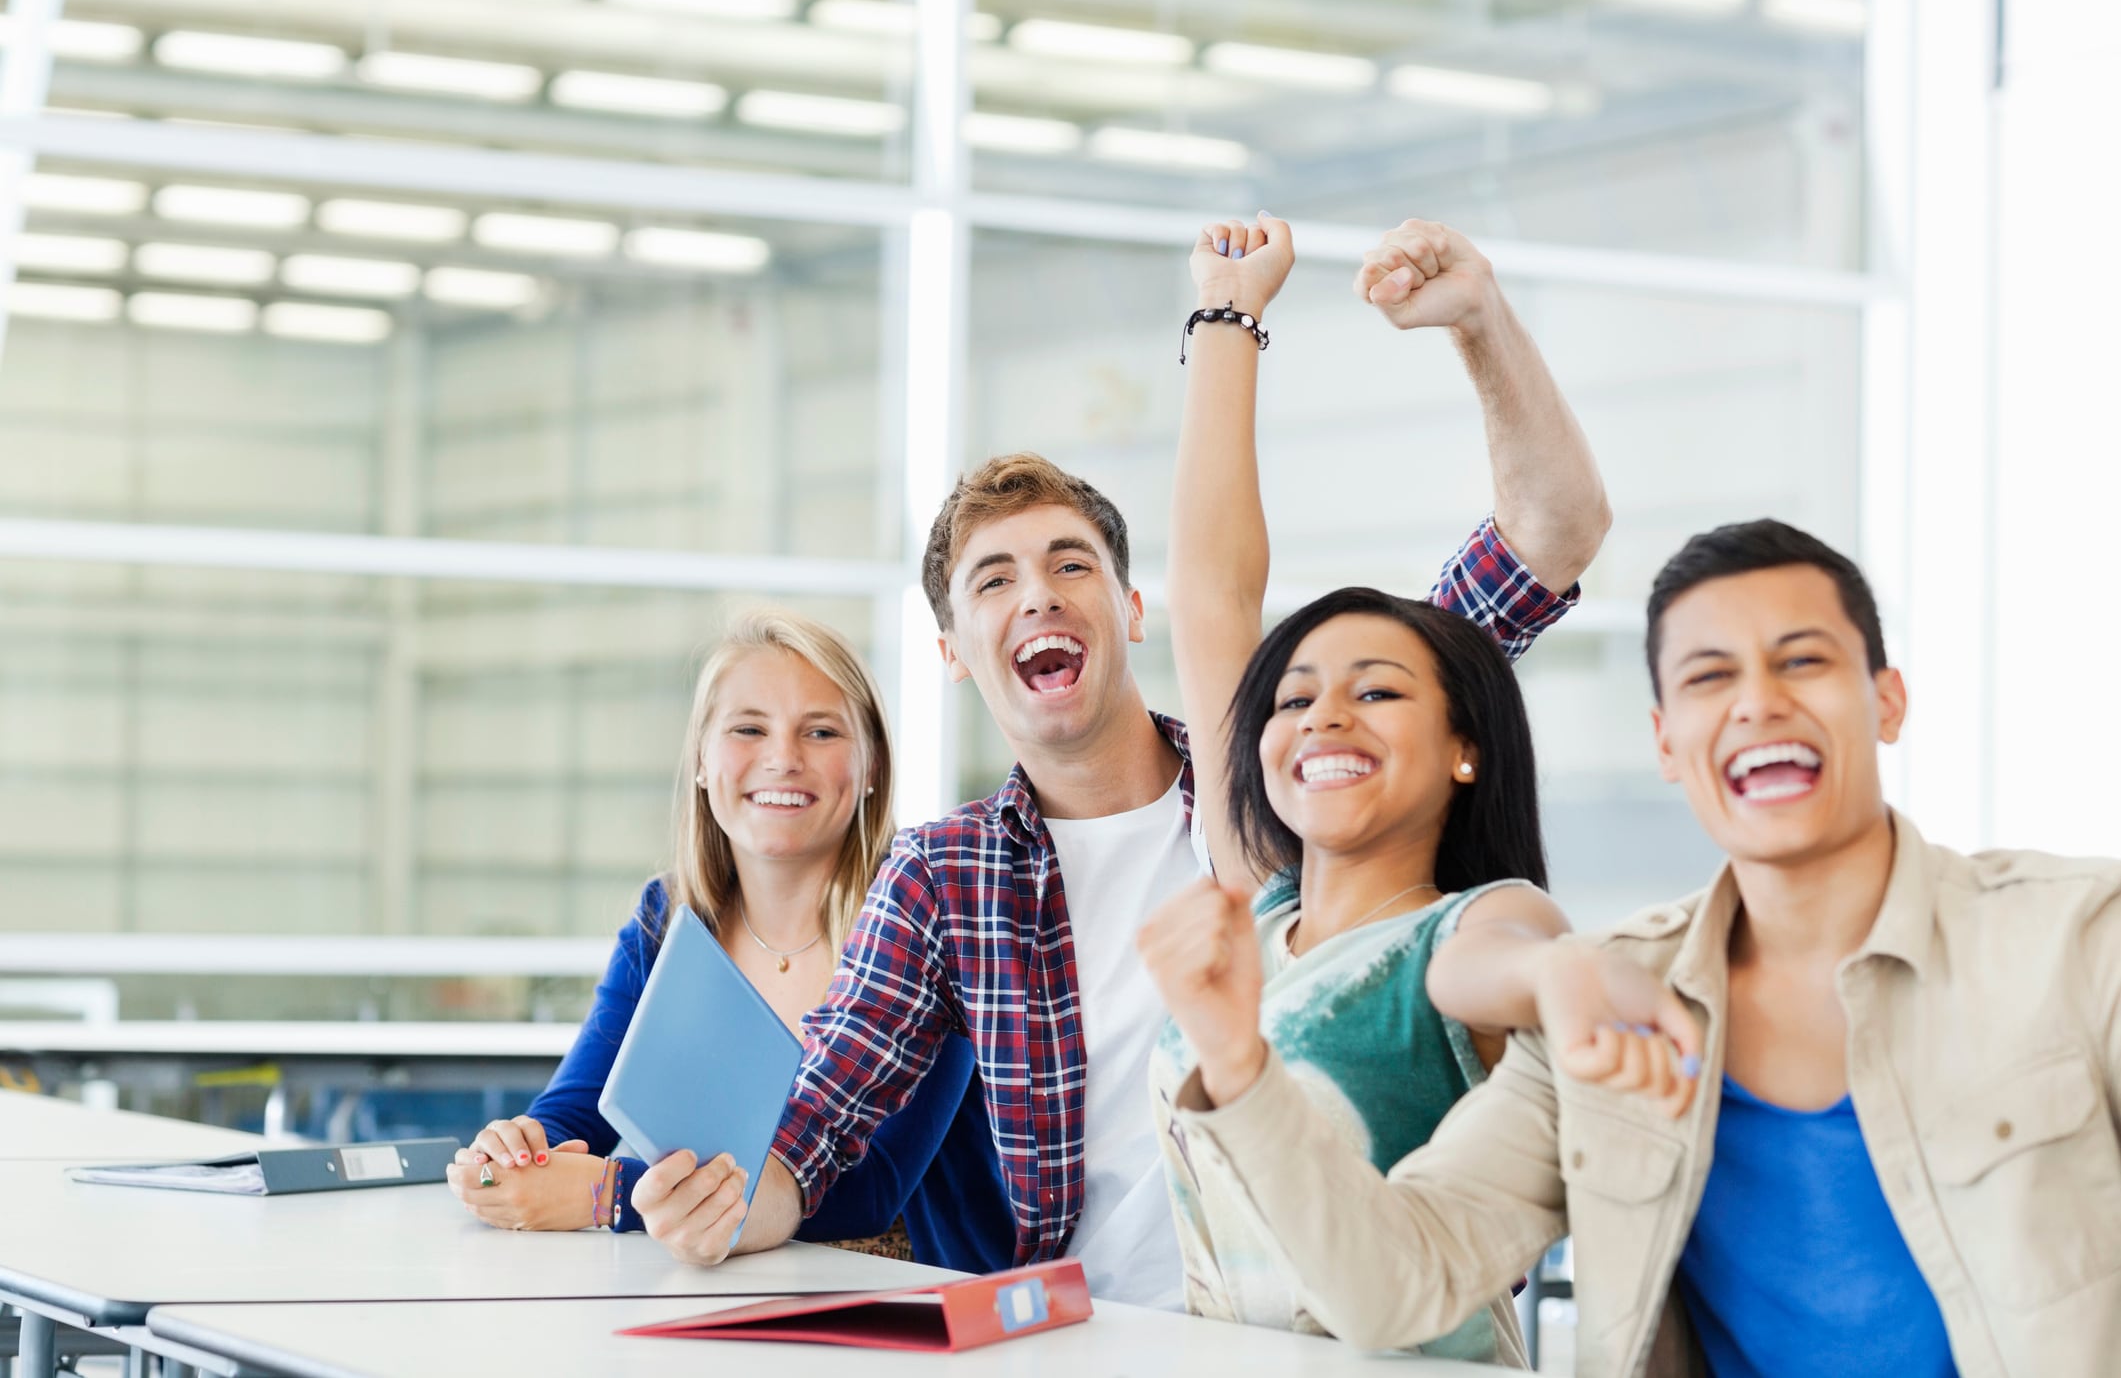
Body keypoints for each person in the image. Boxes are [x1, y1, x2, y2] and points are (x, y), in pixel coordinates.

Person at [625, 214, 1613, 1310]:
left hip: (1334, 1326)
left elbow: (1543, 535)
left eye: (1070, 565)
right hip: (1088, 1339)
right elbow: (817, 1125)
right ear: (952, 652)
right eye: (994, 580)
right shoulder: (945, 876)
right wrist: (724, 1205)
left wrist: (1472, 322)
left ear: (1134, 610)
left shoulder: (1294, 773)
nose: (1037, 595)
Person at [1152, 519, 2121, 1378]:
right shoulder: (1610, 1000)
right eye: (1709, 677)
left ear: (1888, 702)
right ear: (1664, 741)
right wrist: (1236, 1064)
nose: (1756, 703)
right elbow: (1397, 1286)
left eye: (1801, 662)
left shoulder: (2079, 942)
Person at [1133, 213, 1618, 1360]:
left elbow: (1499, 966)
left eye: (1377, 691)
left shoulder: (1468, 926)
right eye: (1293, 696)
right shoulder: (1263, 905)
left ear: (1463, 747)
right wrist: (1227, 314)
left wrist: (1562, 977)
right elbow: (1209, 596)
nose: (1322, 715)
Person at [441, 611, 1012, 1273]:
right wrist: (518, 1151)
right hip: (723, 1288)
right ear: (702, 761)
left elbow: (870, 1191)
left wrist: (609, 1195)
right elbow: (578, 1111)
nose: (783, 759)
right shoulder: (666, 918)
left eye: (820, 732)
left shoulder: (927, 916)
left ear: (872, 766)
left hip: (915, 1299)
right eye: (748, 729)